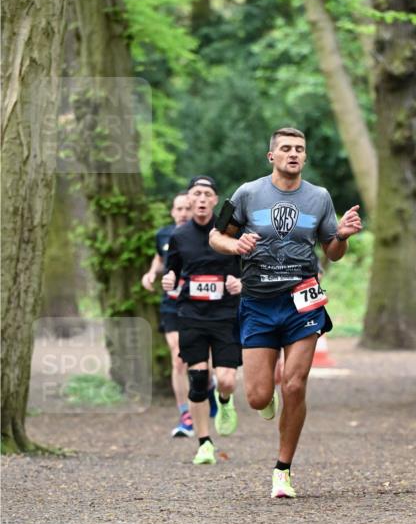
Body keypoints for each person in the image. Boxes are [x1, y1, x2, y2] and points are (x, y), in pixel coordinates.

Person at [209, 127, 362, 499]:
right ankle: (267, 398)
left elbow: (332, 252)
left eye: (300, 149)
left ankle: (282, 470)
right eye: (286, 148)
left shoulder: (319, 197)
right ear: (271, 156)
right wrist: (235, 244)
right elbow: (216, 236)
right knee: (257, 397)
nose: (294, 154)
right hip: (258, 303)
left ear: (305, 157)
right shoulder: (248, 193)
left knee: (294, 384)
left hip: (301, 301)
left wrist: (341, 236)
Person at [162, 176, 242, 465]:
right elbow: (172, 270)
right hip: (192, 315)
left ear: (215, 200)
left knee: (227, 380)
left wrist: (240, 283)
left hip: (225, 315)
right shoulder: (179, 236)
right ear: (190, 199)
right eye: (197, 193)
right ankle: (204, 443)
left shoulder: (230, 232)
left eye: (207, 194)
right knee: (197, 380)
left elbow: (246, 268)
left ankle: (224, 400)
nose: (202, 199)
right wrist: (169, 279)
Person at [141, 192, 200, 437]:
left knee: (202, 361)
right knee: (178, 358)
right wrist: (151, 273)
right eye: (179, 209)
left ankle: (208, 387)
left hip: (199, 304)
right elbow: (159, 258)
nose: (184, 213)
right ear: (173, 212)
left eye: (187, 208)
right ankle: (185, 414)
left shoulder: (205, 234)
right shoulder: (163, 235)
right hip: (172, 304)